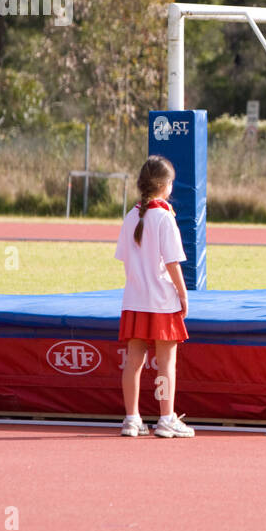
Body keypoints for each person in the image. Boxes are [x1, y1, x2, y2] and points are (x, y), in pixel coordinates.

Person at [113, 155, 194, 438]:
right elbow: (172, 263)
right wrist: (183, 295)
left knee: (132, 362)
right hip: (161, 301)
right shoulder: (164, 218)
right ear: (164, 185)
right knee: (165, 363)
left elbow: (125, 260)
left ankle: (131, 418)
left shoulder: (131, 216)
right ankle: (165, 417)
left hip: (135, 300)